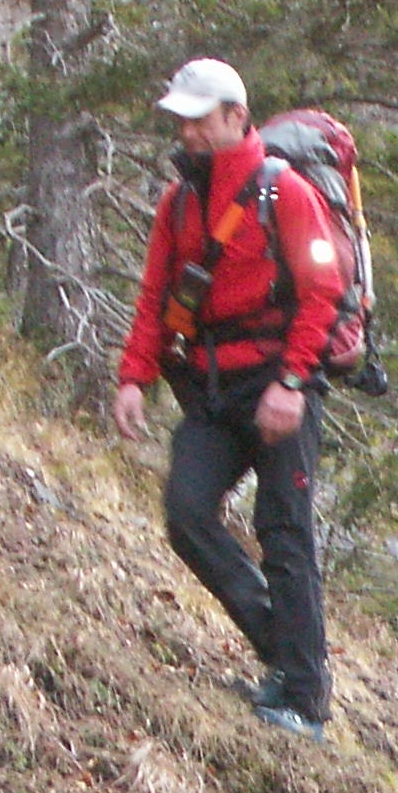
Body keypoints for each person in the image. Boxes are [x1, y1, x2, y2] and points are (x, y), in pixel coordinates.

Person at [113, 57, 346, 740]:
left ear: (235, 117)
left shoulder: (286, 192)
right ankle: (282, 645)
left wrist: (292, 383)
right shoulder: (177, 203)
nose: (187, 132)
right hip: (214, 391)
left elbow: (323, 293)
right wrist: (134, 377)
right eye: (181, 120)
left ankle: (305, 700)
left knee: (285, 534)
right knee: (186, 512)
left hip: (281, 385)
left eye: (198, 119)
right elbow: (155, 295)